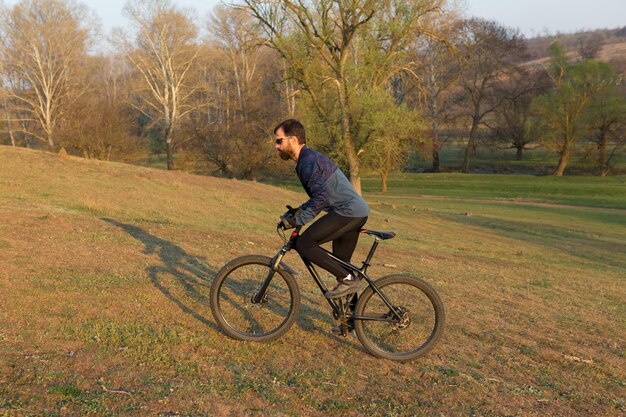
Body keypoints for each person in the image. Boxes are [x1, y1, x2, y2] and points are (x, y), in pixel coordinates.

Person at [274, 119, 370, 299]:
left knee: (304, 244)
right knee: (343, 266)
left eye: (279, 141)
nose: (276, 146)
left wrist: (299, 219)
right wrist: (298, 211)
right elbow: (321, 195)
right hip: (353, 211)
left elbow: (321, 197)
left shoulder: (307, 161)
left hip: (348, 212)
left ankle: (348, 279)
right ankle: (350, 323)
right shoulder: (307, 159)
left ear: (293, 140)